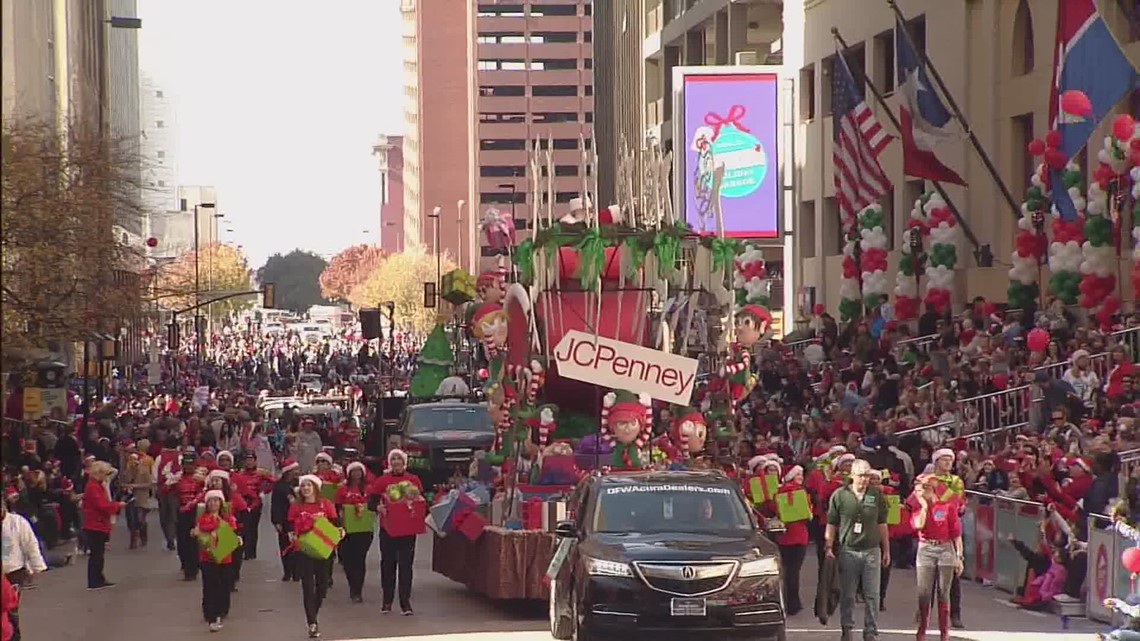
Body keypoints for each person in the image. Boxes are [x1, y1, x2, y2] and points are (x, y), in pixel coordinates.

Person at [826, 458, 888, 641]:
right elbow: (832, 523)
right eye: (861, 476)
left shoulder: (876, 495)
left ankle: (871, 631)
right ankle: (847, 628)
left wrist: (886, 550)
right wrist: (829, 545)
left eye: (867, 476)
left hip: (871, 550)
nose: (864, 480)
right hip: (849, 550)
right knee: (848, 593)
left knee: (872, 594)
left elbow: (882, 523)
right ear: (852, 475)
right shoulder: (840, 495)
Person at [370, 448, 424, 615]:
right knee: (387, 564)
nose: (396, 463)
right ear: (389, 463)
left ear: (404, 462)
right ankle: (387, 601)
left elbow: (420, 501)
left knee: (406, 565)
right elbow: (371, 502)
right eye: (393, 460)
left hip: (407, 530)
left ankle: (405, 603)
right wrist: (378, 507)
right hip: (388, 529)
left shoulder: (413, 480)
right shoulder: (382, 480)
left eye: (398, 460)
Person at [910, 474, 963, 641]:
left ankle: (944, 632)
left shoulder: (947, 507)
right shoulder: (918, 509)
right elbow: (918, 525)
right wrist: (925, 506)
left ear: (930, 489)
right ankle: (922, 630)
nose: (917, 495)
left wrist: (959, 556)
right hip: (926, 548)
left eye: (920, 491)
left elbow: (956, 534)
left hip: (945, 549)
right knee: (924, 593)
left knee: (943, 593)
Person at [288, 474, 340, 638]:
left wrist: (340, 531)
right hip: (304, 551)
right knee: (307, 586)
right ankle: (312, 622)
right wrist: (292, 534)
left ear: (316, 488)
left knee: (322, 587)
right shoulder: (296, 507)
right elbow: (289, 524)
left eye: (309, 486)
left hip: (324, 551)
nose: (306, 489)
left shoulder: (326, 504)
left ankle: (314, 612)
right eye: (303, 486)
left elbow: (335, 523)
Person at [194, 489, 239, 632]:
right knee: (210, 586)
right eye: (211, 501)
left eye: (216, 500)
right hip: (208, 559)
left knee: (224, 586)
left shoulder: (228, 518)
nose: (214, 503)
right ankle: (211, 615)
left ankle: (221, 612)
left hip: (225, 558)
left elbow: (233, 532)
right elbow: (201, 531)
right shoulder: (202, 519)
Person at [1, 500, 46, 641]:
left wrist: (36, 566)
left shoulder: (17, 522)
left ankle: (14, 637)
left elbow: (30, 544)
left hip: (14, 572)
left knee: (10, 609)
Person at [81, 460, 124, 590]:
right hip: (95, 524)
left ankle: (98, 578)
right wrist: (117, 505)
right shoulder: (93, 487)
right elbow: (102, 505)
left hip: (97, 523)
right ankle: (95, 580)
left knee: (98, 554)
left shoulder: (96, 485)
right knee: (97, 554)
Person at [336, 461, 373, 603]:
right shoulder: (342, 489)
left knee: (360, 559)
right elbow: (337, 506)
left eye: (359, 471)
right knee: (347, 559)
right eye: (354, 471)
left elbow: (373, 506)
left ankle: (357, 590)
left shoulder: (368, 489)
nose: (356, 474)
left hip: (363, 530)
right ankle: (352, 583)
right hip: (346, 529)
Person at [272, 458, 301, 582]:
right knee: (285, 546)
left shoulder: (300, 484)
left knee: (297, 547)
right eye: (295, 470)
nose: (297, 472)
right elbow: (276, 505)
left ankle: (297, 572)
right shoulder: (279, 486)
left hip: (299, 520)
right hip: (284, 520)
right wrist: (276, 521)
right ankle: (287, 571)